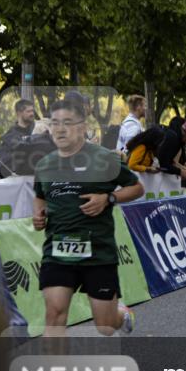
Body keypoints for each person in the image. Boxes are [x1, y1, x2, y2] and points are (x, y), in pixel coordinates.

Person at [32, 98, 144, 336]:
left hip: (98, 251)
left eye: (67, 123)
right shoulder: (44, 165)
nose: (60, 129)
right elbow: (40, 195)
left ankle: (121, 314)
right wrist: (38, 214)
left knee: (105, 325)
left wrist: (108, 198)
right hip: (58, 251)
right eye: (55, 123)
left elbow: (137, 188)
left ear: (82, 127)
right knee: (54, 314)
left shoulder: (104, 158)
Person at [0, 98, 35, 177]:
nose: (32, 113)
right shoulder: (10, 136)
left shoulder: (35, 129)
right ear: (19, 113)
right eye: (28, 111)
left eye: (32, 111)